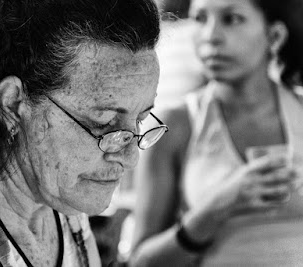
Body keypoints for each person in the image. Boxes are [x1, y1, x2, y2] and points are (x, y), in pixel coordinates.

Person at [0, 0, 168, 266]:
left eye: (141, 119)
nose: (131, 157)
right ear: (13, 104)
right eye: (104, 123)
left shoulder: (57, 188)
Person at [130, 0, 303, 266]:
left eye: (232, 19)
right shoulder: (173, 127)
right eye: (200, 19)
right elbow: (141, 261)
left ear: (274, 36)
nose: (210, 36)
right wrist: (217, 207)